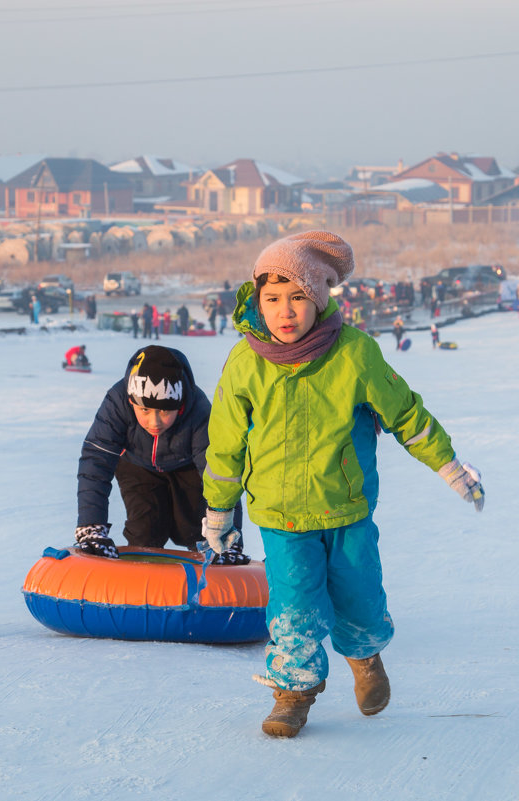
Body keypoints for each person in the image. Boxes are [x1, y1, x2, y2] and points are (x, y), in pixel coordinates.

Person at [201, 231, 485, 738]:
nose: (285, 312)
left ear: (319, 299)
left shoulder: (353, 354)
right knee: (293, 605)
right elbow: (224, 446)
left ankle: (365, 657)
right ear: (256, 302)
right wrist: (219, 510)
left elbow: (405, 415)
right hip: (281, 515)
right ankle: (292, 691)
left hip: (347, 509)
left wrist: (448, 464)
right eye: (272, 299)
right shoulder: (245, 364)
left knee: (359, 594)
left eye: (298, 298)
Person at [75, 345, 248, 564]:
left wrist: (228, 540)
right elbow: (96, 462)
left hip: (188, 469)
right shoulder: (117, 402)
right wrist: (92, 526)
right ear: (131, 401)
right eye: (144, 410)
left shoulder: (199, 411)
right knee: (145, 530)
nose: (154, 422)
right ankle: (138, 581)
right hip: (137, 466)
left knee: (194, 528)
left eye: (165, 411)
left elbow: (219, 473)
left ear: (180, 405)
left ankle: (208, 571)